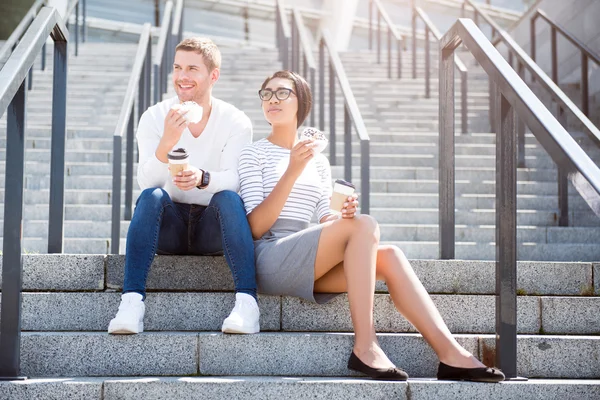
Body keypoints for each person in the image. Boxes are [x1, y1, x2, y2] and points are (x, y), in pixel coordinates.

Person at [237, 70, 505, 382]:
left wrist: (344, 216)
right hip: (269, 258)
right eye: (266, 93)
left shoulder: (317, 160)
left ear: (302, 102)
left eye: (282, 92)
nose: (272, 99)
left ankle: (450, 354)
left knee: (388, 254)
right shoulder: (253, 153)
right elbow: (255, 227)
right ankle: (365, 346)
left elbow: (327, 217)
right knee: (365, 226)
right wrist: (292, 171)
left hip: (305, 256)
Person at [108, 37, 260, 335]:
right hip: (169, 226)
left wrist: (203, 178)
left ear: (213, 75)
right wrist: (167, 141)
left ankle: (247, 304)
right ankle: (131, 302)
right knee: (152, 195)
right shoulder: (154, 116)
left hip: (212, 228)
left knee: (229, 198)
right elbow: (146, 182)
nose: (182, 76)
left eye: (192, 68)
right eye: (177, 68)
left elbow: (235, 179)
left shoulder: (235, 121)